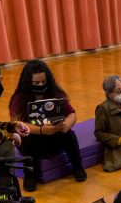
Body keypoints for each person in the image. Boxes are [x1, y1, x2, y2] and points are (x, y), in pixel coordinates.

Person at [8, 59, 86, 191]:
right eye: (36, 83)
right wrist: (41, 130)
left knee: (70, 135)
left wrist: (66, 125)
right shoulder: (19, 98)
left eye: (43, 82)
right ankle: (30, 176)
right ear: (28, 82)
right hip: (32, 142)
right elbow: (18, 124)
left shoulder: (56, 93)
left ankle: (78, 167)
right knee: (27, 138)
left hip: (53, 139)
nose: (40, 85)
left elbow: (72, 113)